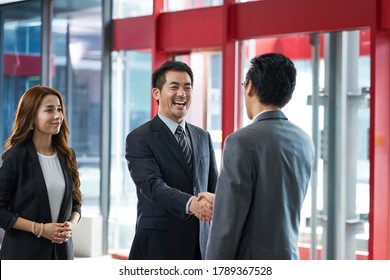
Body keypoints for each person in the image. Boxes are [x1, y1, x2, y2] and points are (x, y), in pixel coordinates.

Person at [205, 53, 315, 260]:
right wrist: (222, 199)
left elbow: (226, 228)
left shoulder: (240, 141)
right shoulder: (304, 140)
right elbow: (274, 201)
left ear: (250, 86)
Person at [125, 60, 218, 260]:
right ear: (156, 93)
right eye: (174, 87)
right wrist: (191, 203)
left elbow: (214, 186)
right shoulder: (140, 137)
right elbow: (151, 185)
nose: (182, 94)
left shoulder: (203, 137)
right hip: (160, 247)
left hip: (201, 247)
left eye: (187, 87)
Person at [0, 85, 82, 260]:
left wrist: (72, 225)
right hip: (24, 255)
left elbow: (76, 203)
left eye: (59, 109)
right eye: (49, 110)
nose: (57, 116)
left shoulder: (68, 155)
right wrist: (41, 229)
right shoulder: (16, 156)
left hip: (61, 254)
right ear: (32, 117)